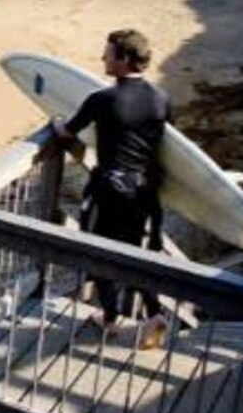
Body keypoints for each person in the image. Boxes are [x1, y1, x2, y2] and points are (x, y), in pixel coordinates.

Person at [52, 29, 170, 349]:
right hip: (144, 191)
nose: (103, 58)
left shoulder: (102, 100)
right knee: (135, 252)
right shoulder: (161, 98)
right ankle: (155, 313)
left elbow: (67, 132)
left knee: (99, 253)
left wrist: (56, 121)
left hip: (110, 190)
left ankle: (110, 319)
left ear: (124, 59)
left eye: (108, 54)